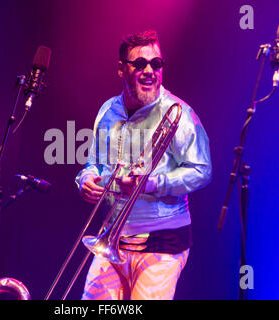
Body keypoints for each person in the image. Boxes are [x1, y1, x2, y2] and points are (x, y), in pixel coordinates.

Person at [75, 30, 212, 300]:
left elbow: (202, 171)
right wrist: (85, 179)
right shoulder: (107, 110)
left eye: (156, 63)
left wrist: (151, 184)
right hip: (112, 237)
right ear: (121, 69)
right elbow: (94, 163)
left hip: (161, 244)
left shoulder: (180, 114)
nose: (149, 70)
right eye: (140, 64)